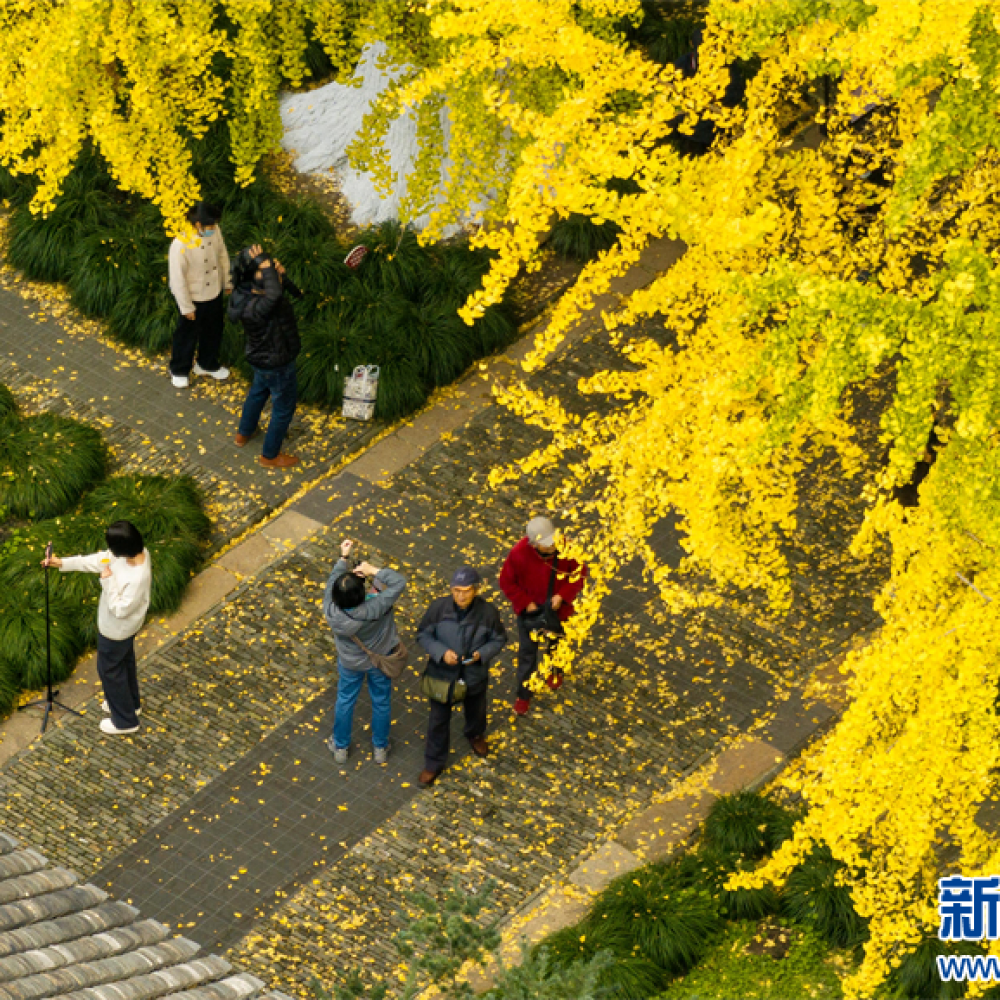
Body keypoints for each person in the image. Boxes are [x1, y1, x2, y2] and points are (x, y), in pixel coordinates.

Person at [42, 521, 152, 735]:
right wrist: (62, 563)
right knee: (124, 664)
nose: (109, 551)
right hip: (123, 629)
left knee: (109, 671)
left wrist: (107, 582)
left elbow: (120, 609)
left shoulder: (138, 577)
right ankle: (130, 704)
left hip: (116, 631)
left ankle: (125, 721)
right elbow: (99, 560)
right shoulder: (132, 554)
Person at [415, 567, 507, 787]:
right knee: (438, 720)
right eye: (457, 590)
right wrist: (441, 652)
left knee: (476, 709)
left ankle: (475, 735)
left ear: (476, 590)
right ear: (451, 589)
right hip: (442, 676)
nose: (461, 596)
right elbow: (423, 634)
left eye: (466, 591)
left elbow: (499, 639)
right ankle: (433, 762)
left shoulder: (488, 613)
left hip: (474, 674)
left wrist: (481, 654)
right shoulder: (438, 608)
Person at [323, 539, 407, 764]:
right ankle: (380, 747)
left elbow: (333, 581)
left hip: (350, 661)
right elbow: (399, 583)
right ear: (362, 595)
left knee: (345, 699)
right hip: (380, 660)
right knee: (381, 700)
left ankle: (340, 746)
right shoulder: (376, 605)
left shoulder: (330, 608)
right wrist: (372, 570)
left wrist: (343, 558)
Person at [498, 516, 587, 716]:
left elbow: (580, 573)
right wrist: (525, 603)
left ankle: (555, 671)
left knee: (558, 644)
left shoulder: (566, 547)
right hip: (531, 612)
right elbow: (507, 583)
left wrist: (562, 595)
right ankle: (523, 694)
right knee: (527, 655)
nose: (553, 546)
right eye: (547, 545)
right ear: (534, 543)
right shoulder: (518, 554)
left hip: (558, 610)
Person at [228, 243, 304, 469]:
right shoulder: (257, 304)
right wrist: (269, 270)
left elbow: (294, 293)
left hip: (262, 360)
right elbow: (274, 295)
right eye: (264, 269)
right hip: (277, 361)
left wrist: (277, 273)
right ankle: (269, 456)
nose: (270, 270)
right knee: (283, 408)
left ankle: (245, 432)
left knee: (258, 393)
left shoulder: (246, 291)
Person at [168, 201, 232, 388]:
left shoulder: (215, 231)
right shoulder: (181, 243)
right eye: (210, 226)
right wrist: (186, 306)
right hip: (194, 296)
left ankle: (206, 363)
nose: (213, 228)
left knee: (214, 330)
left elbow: (222, 255)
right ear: (198, 224)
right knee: (187, 335)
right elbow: (177, 279)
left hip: (213, 291)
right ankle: (179, 369)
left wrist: (227, 281)